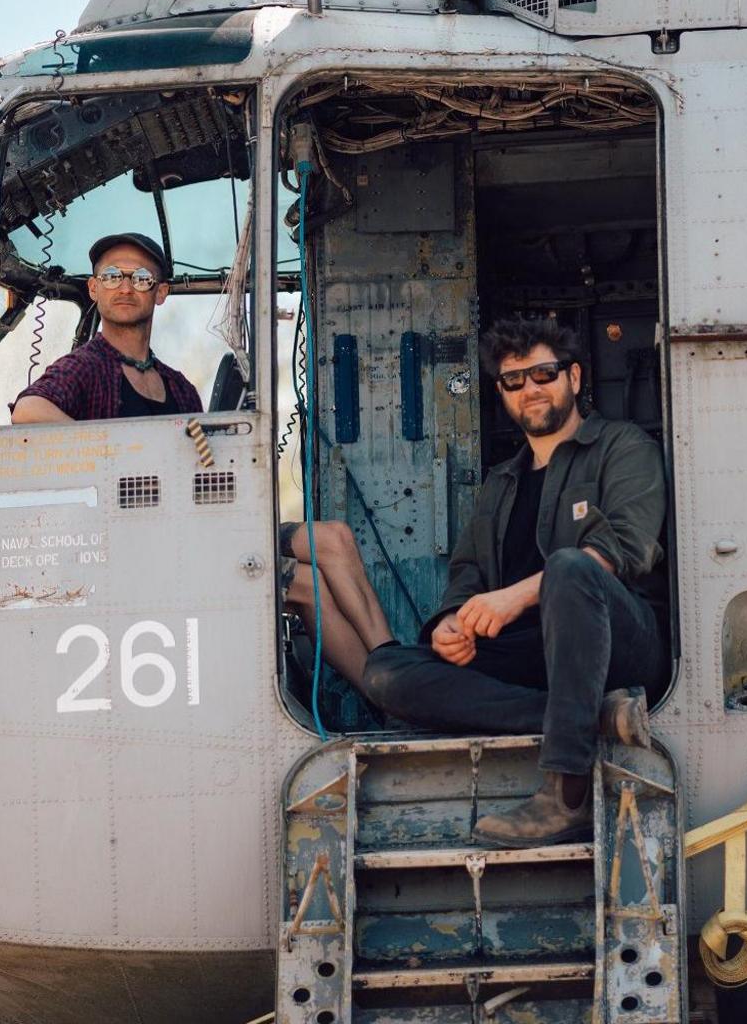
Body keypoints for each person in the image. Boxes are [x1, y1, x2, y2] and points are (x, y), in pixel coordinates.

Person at [362, 316, 669, 848]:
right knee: (387, 671)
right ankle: (590, 717)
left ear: (573, 377)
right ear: (503, 393)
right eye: (514, 380)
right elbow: (468, 573)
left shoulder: (623, 447)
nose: (530, 388)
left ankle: (567, 794)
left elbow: (625, 549)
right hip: (532, 659)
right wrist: (453, 623)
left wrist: (516, 597)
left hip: (617, 642)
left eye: (543, 374)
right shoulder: (500, 483)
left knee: (573, 567)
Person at [12, 233, 203, 423]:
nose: (126, 288)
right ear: (94, 288)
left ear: (160, 292)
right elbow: (27, 410)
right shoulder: (84, 367)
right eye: (112, 276)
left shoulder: (183, 390)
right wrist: (102, 450)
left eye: (141, 278)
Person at [278, 520, 395, 692]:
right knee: (310, 583)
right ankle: (386, 695)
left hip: (248, 532)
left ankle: (392, 660)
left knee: (336, 536)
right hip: (227, 554)